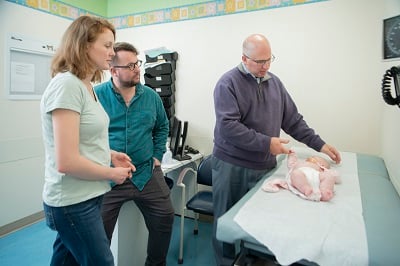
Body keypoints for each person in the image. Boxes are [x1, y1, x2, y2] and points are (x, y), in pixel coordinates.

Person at [211, 33, 342, 266]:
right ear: (244, 58)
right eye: (260, 62)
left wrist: (320, 144)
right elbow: (229, 127)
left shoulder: (275, 83)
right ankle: (225, 262)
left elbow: (293, 121)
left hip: (264, 166)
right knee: (226, 222)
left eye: (269, 60)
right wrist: (266, 143)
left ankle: (252, 260)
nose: (266, 66)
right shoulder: (227, 83)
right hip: (232, 165)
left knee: (259, 222)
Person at [40, 16, 135, 266]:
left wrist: (110, 154)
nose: (112, 53)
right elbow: (67, 161)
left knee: (66, 261)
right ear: (83, 46)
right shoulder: (67, 86)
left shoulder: (85, 85)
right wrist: (112, 173)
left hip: (88, 194)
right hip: (72, 201)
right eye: (106, 46)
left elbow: (83, 139)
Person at [94, 42, 174, 266]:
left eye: (137, 63)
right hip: (108, 175)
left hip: (146, 172)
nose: (137, 69)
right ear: (113, 70)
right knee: (97, 232)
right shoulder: (96, 96)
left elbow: (162, 127)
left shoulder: (150, 96)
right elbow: (86, 134)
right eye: (129, 66)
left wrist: (158, 154)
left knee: (165, 216)